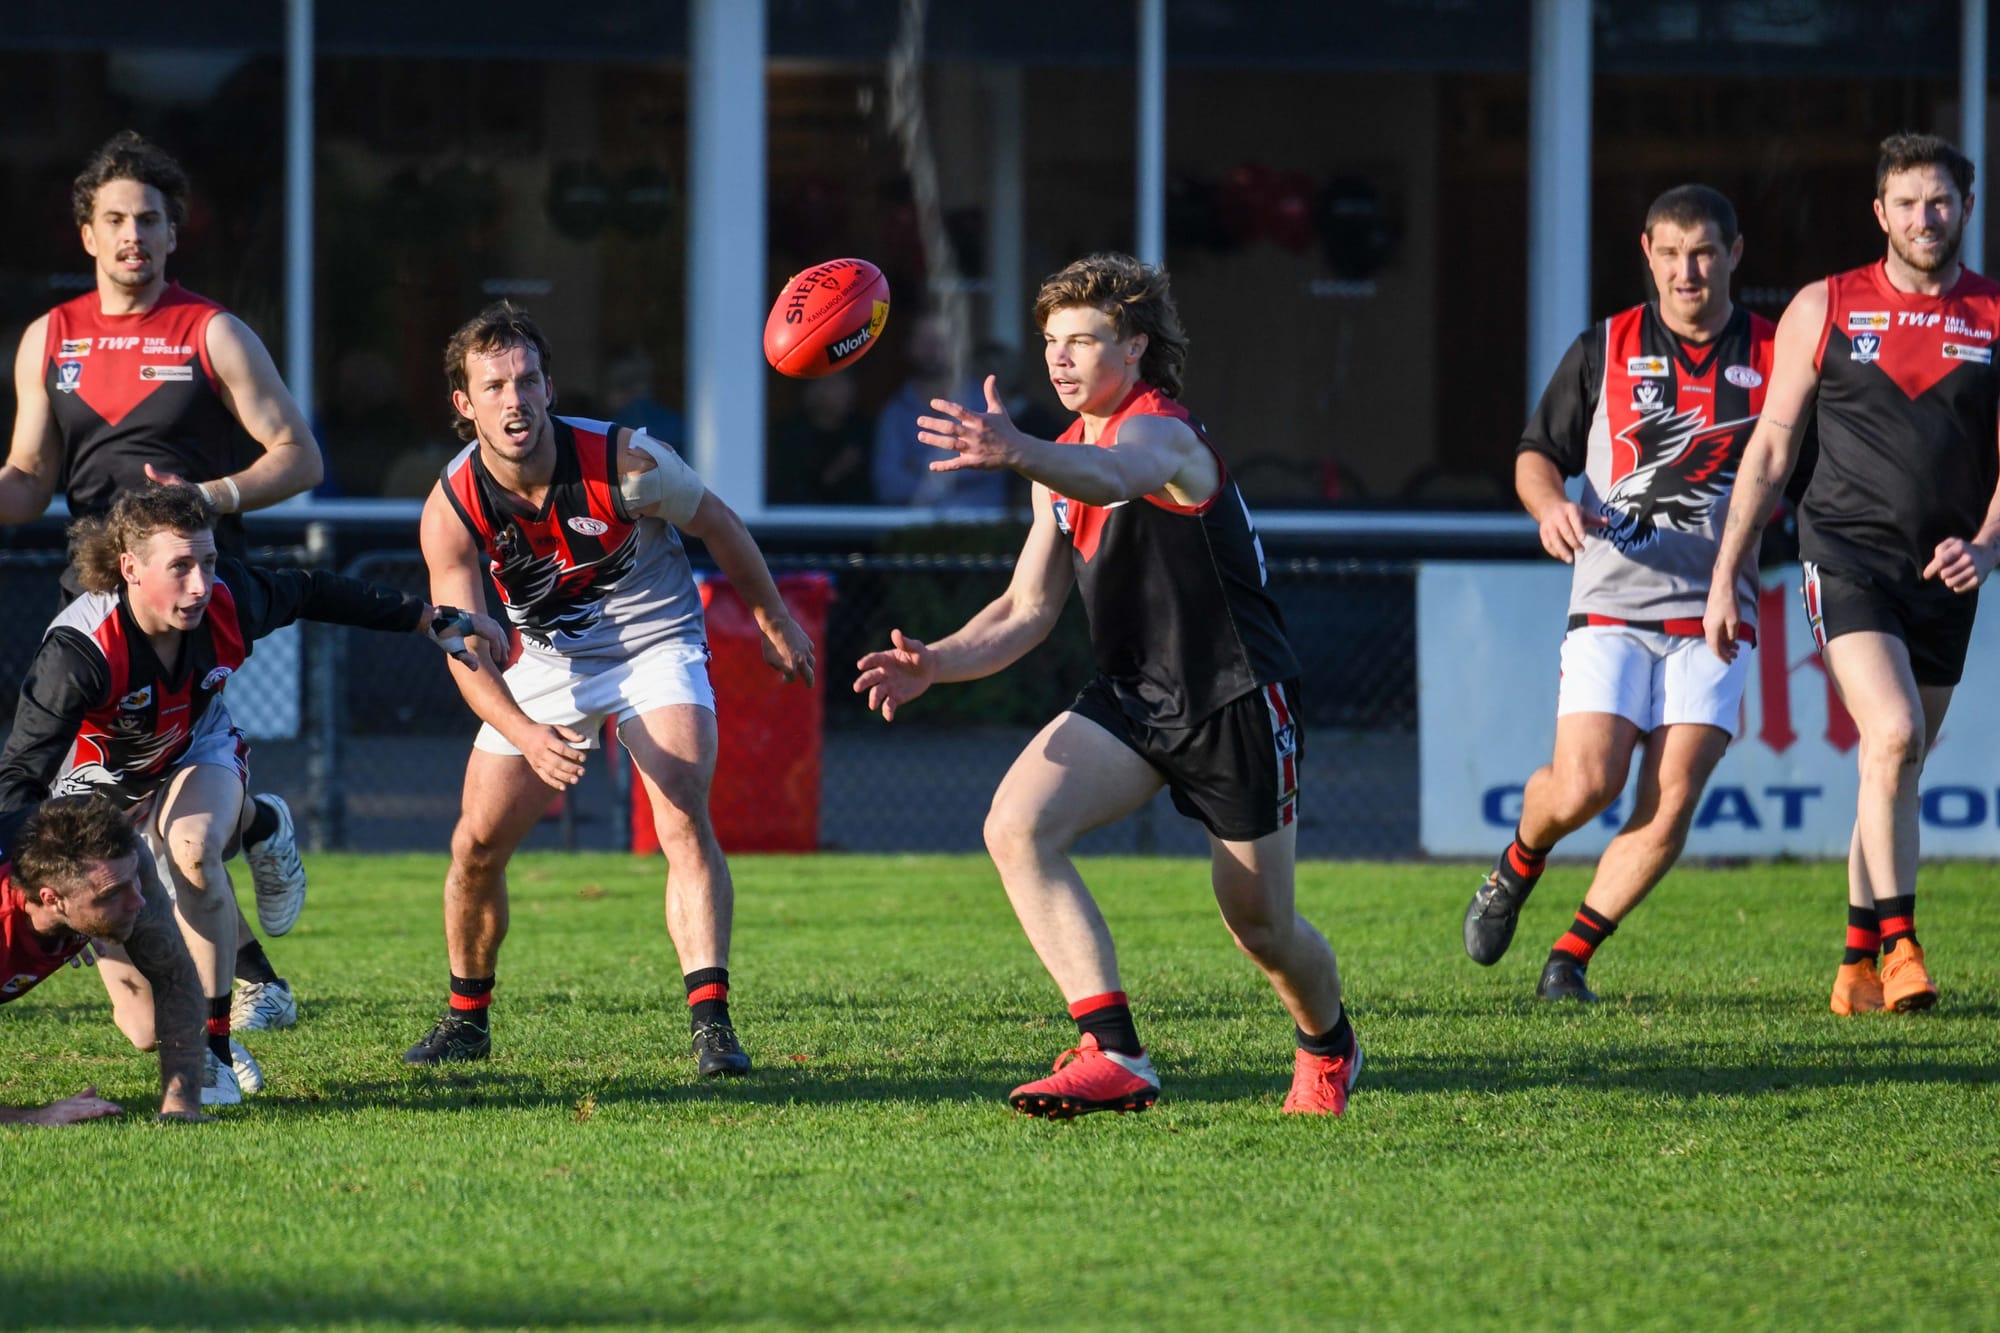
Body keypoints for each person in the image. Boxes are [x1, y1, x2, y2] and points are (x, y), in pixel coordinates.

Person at [854, 253, 1358, 1117]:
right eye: (1051, 341)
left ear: (1136, 348)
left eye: (1082, 340)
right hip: (1132, 696)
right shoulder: (1067, 458)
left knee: (1260, 925)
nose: (1059, 359)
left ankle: (1328, 1042)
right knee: (1016, 825)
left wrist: (1018, 452)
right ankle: (1115, 1048)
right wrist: (936, 659)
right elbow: (1025, 606)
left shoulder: (1161, 433)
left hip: (1234, 697)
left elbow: (1120, 476)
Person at [407, 301, 815, 1073]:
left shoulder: (628, 463)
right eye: (493, 385)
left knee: (682, 801)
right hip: (549, 664)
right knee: (476, 844)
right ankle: (467, 1020)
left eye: (527, 379)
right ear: (465, 405)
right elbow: (464, 650)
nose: (514, 399)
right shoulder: (452, 506)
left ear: (550, 387)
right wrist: (528, 734)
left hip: (653, 644)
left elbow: (721, 525)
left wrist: (774, 619)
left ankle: (712, 1023)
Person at [0, 483, 503, 1103]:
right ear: (129, 568)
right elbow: (19, 779)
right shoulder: (79, 653)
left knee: (190, 847)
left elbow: (314, 590)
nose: (199, 584)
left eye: (207, 562)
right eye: (179, 566)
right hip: (98, 785)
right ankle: (260, 826)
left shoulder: (229, 601)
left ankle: (212, 1046)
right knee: (143, 1028)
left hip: (193, 745)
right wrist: (40, 874)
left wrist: (428, 618)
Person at [0, 130, 327, 1035]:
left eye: (150, 218)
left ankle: (221, 1006)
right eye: (115, 219)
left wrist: (206, 496)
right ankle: (251, 874)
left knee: (174, 823)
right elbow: (29, 478)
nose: (133, 235)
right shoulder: (50, 338)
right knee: (129, 824)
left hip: (191, 598)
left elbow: (299, 457)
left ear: (174, 233)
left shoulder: (212, 330)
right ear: (87, 235)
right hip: (98, 609)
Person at [1706, 133, 2000, 1015]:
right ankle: (1903, 943)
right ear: (1880, 213)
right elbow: (1769, 452)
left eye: (1940, 201)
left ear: (1966, 209)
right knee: (1897, 732)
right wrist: (1728, 573)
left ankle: (1854, 963)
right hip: (1845, 556)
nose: (1924, 218)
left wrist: (1986, 546)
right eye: (1907, 202)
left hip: (1950, 575)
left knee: (1894, 762)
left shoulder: (1992, 313)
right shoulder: (1824, 306)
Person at [1459, 185, 1775, 1002]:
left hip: (1715, 611)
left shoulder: (1779, 356)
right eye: (1670, 253)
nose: (1687, 270)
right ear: (1647, 253)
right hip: (1612, 602)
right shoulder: (1606, 345)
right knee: (1585, 785)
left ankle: (1570, 957)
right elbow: (1536, 453)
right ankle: (1519, 862)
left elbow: (1813, 474)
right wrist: (1548, 505)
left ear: (1734, 254)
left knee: (1670, 800)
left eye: (1703, 251)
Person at [0, 794, 206, 1123]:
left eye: (134, 879)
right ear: (52, 899)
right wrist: (34, 1117)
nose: (137, 902)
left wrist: (181, 1106)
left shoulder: (119, 863)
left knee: (147, 1026)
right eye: (111, 895)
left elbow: (174, 975)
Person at [872, 311, 1007, 508]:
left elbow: (998, 466)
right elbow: (888, 485)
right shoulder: (895, 412)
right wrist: (956, 475)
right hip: (915, 531)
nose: (932, 348)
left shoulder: (984, 401)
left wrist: (919, 469)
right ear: (909, 347)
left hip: (980, 530)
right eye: (924, 340)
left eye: (940, 340)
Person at [768, 373, 874, 505]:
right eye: (832, 382)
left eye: (846, 381)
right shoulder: (789, 435)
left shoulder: (864, 432)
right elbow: (786, 494)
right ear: (811, 390)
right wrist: (832, 475)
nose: (844, 390)